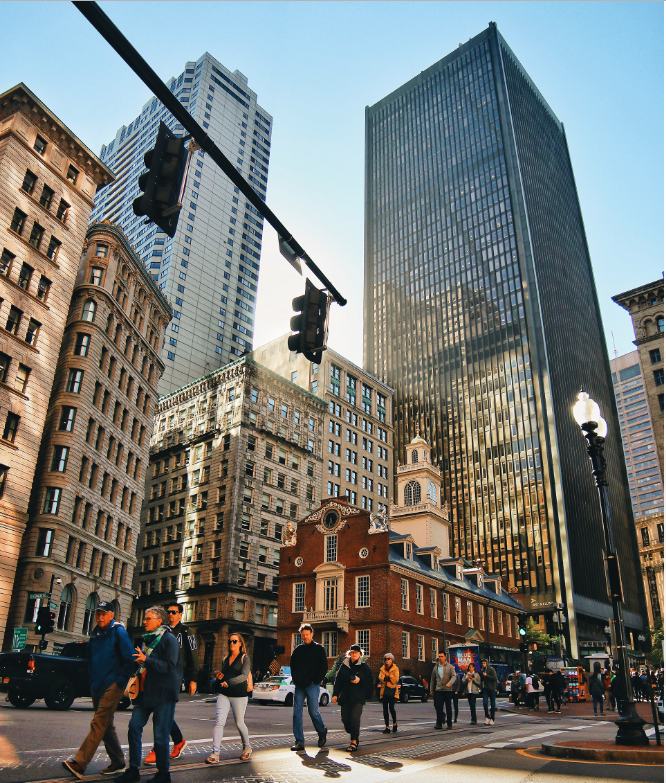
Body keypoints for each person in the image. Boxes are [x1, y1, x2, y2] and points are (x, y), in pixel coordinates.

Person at [62, 601, 136, 779]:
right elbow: (90, 659)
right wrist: (92, 680)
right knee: (106, 726)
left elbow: (131, 659)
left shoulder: (119, 632)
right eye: (98, 613)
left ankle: (80, 763)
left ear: (112, 615)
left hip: (113, 685)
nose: (100, 617)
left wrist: (119, 682)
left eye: (104, 613)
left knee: (98, 723)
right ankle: (118, 761)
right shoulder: (95, 635)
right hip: (97, 685)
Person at [115, 607, 181, 783]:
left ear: (159, 621)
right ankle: (133, 770)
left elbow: (169, 667)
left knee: (160, 734)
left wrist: (146, 660)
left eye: (148, 618)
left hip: (164, 693)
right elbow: (147, 664)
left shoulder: (169, 640)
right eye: (145, 619)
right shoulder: (148, 640)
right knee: (134, 726)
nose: (144, 621)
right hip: (145, 693)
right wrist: (141, 662)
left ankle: (163, 774)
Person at [143, 604, 197, 766]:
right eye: (169, 612)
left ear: (180, 614)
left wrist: (192, 678)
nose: (171, 614)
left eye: (174, 612)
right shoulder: (162, 630)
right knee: (163, 712)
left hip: (174, 676)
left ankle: (158, 749)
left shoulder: (187, 632)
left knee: (162, 712)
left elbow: (193, 655)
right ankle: (178, 741)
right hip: (157, 675)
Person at [205, 633, 252, 763]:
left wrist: (229, 682)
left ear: (240, 643)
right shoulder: (225, 659)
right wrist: (220, 677)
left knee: (239, 724)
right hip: (224, 694)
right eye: (230, 641)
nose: (232, 643)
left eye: (235, 641)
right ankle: (215, 753)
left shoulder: (244, 658)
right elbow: (225, 676)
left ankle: (247, 747)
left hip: (239, 695)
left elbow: (243, 676)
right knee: (219, 722)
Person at [289, 623, 329, 752]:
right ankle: (299, 741)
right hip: (299, 685)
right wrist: (295, 678)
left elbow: (323, 667)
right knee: (297, 713)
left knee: (313, 712)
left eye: (307, 634)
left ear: (312, 634)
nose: (305, 637)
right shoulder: (298, 650)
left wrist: (315, 680)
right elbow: (293, 666)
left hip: (312, 685)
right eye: (303, 635)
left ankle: (322, 732)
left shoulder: (319, 649)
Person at [332, 645, 373, 752]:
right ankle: (352, 731)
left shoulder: (364, 667)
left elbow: (369, 682)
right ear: (349, 653)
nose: (354, 654)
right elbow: (338, 680)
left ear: (360, 654)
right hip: (345, 697)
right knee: (345, 719)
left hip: (358, 698)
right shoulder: (344, 665)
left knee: (355, 719)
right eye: (352, 652)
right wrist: (335, 694)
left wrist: (359, 680)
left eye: (356, 652)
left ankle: (354, 741)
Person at [429, 651, 456, 730]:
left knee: (448, 707)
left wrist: (450, 683)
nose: (440, 658)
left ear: (445, 657)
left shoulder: (450, 667)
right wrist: (431, 689)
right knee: (438, 706)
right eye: (439, 657)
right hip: (438, 689)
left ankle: (449, 724)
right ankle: (439, 723)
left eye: (442, 656)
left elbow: (454, 676)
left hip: (447, 690)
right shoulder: (436, 668)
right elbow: (433, 679)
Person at [378, 653, 399, 733]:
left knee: (391, 708)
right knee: (385, 709)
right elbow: (380, 678)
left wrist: (385, 677)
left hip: (392, 690)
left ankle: (394, 723)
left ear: (392, 660)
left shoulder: (395, 668)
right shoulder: (382, 668)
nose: (386, 660)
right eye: (385, 659)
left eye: (388, 659)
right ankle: (387, 727)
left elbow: (395, 680)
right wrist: (389, 677)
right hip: (384, 691)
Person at [480, 659, 498, 725]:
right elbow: (481, 679)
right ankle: (487, 717)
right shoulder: (482, 670)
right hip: (485, 689)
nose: (483, 664)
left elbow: (495, 678)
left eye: (484, 663)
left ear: (487, 663)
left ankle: (492, 718)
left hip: (492, 689)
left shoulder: (491, 669)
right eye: (482, 663)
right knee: (485, 703)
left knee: (492, 704)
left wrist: (486, 675)